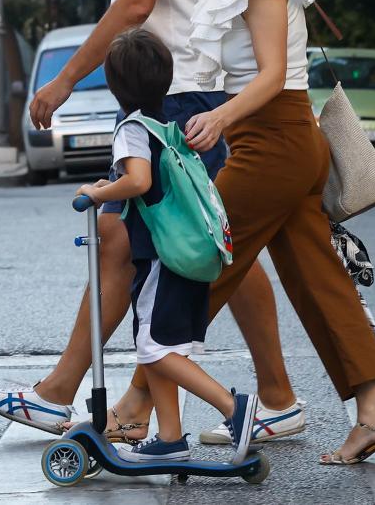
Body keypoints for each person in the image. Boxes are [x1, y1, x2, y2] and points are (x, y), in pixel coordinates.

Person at [0, 0, 305, 447]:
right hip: (185, 95)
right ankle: (272, 399)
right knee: (213, 246)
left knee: (137, 244)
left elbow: (135, 3)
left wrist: (64, 79)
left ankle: (61, 394)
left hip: (177, 100)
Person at [125, 0, 375, 465]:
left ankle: (137, 407)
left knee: (194, 263)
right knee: (319, 281)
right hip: (279, 142)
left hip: (273, 140)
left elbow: (274, 74)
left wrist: (220, 117)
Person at [73, 28, 257, 463]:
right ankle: (170, 437)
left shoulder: (130, 128)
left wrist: (98, 194)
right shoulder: (163, 127)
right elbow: (141, 181)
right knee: (159, 349)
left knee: (154, 350)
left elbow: (140, 180)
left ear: (114, 85)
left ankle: (234, 408)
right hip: (185, 254)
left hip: (160, 260)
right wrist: (113, 184)